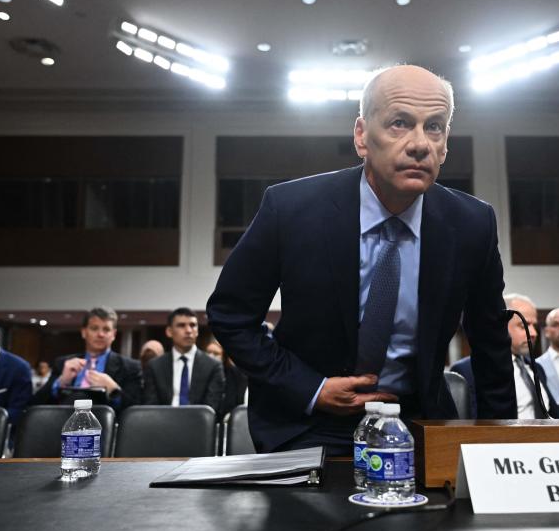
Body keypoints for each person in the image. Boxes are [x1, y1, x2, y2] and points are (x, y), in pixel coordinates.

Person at [207, 64, 515, 455]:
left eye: (434, 126)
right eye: (400, 123)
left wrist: (500, 444)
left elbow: (491, 344)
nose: (420, 143)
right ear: (361, 136)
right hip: (307, 425)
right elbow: (230, 315)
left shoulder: (472, 223)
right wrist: (312, 389)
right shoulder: (291, 209)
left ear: (446, 143)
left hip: (419, 423)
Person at [453, 294, 559, 419]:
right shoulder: (467, 369)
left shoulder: (537, 368)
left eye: (534, 326)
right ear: (502, 326)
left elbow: (554, 415)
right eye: (524, 326)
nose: (533, 333)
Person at [32, 306, 142, 414]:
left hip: (106, 425)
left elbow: (137, 412)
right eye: (94, 328)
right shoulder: (63, 363)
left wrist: (114, 390)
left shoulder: (130, 367)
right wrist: (61, 382)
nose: (100, 334)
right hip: (63, 422)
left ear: (113, 334)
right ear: (84, 332)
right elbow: (35, 404)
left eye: (106, 329)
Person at [143, 308, 225, 414]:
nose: (188, 330)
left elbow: (211, 407)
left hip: (199, 425)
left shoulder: (213, 366)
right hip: (163, 424)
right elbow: (150, 406)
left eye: (193, 325)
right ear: (169, 332)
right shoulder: (155, 366)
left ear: (197, 331)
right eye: (181, 325)